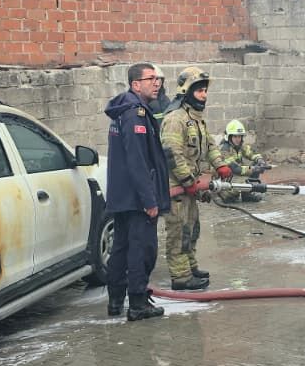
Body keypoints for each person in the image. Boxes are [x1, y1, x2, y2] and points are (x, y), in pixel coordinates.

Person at [103, 63, 171, 322]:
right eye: (151, 78)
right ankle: (138, 304)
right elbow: (138, 160)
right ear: (135, 85)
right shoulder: (135, 114)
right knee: (140, 249)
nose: (157, 83)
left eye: (158, 79)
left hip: (123, 197)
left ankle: (115, 300)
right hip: (136, 198)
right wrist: (149, 200)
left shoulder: (124, 110)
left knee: (120, 247)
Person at [161, 66, 216, 290]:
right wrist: (188, 181)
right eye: (199, 90)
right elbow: (172, 154)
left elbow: (210, 145)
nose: (204, 94)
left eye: (205, 90)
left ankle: (190, 266)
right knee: (178, 232)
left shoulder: (197, 120)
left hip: (190, 187)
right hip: (177, 189)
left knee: (192, 229)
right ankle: (181, 277)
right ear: (187, 90)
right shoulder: (176, 119)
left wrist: (220, 165)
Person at [214, 119, 272, 203]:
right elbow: (235, 169)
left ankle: (247, 195)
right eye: (235, 136)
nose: (238, 139)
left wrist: (260, 160)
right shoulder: (224, 150)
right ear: (229, 137)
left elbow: (251, 153)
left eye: (239, 136)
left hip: (233, 176)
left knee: (257, 164)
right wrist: (253, 169)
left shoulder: (239, 145)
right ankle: (227, 193)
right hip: (224, 179)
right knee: (231, 197)